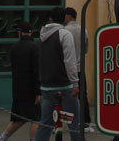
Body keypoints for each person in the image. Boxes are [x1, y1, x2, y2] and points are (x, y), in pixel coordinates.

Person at [34, 7, 79, 141]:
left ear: (50, 19)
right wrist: (75, 82)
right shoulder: (64, 34)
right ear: (64, 18)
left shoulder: (42, 36)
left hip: (46, 86)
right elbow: (69, 61)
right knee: (74, 122)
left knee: (46, 123)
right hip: (64, 86)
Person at [0, 22, 41, 141]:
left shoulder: (14, 47)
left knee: (19, 117)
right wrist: (38, 92)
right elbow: (36, 72)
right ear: (32, 32)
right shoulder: (34, 47)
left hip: (18, 88)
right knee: (36, 118)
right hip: (30, 90)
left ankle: (1, 139)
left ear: (19, 33)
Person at [64, 8, 91, 128]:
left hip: (67, 68)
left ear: (68, 16)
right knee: (82, 94)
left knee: (67, 95)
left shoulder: (64, 31)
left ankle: (68, 121)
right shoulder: (83, 29)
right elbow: (86, 49)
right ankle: (85, 120)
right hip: (80, 66)